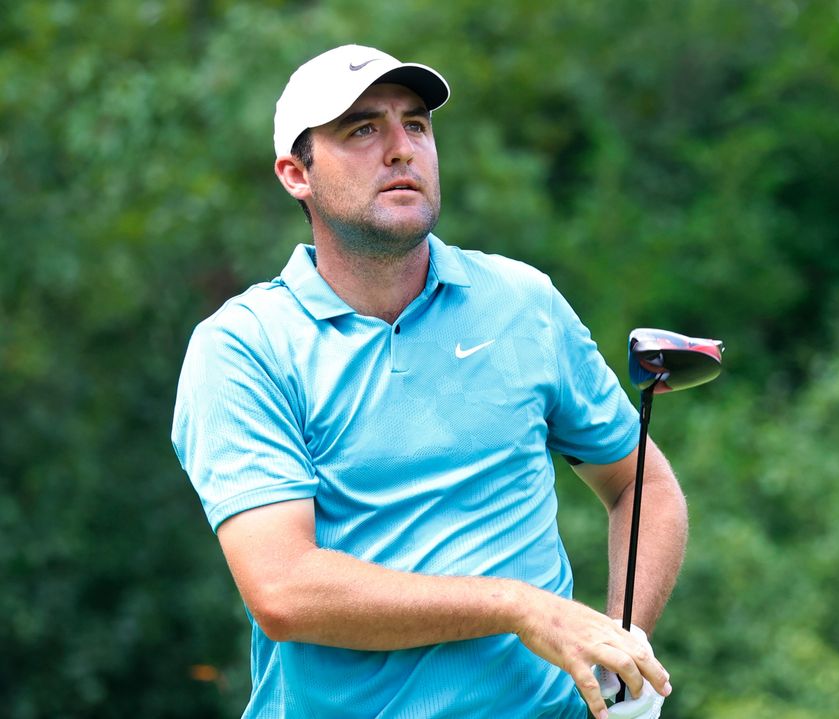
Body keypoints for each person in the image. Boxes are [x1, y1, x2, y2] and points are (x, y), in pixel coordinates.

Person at [171, 44, 687, 719]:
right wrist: (517, 605)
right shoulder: (244, 347)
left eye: (415, 124)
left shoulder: (522, 301)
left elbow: (641, 486)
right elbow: (285, 589)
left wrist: (623, 649)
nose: (401, 148)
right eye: (362, 129)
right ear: (296, 174)